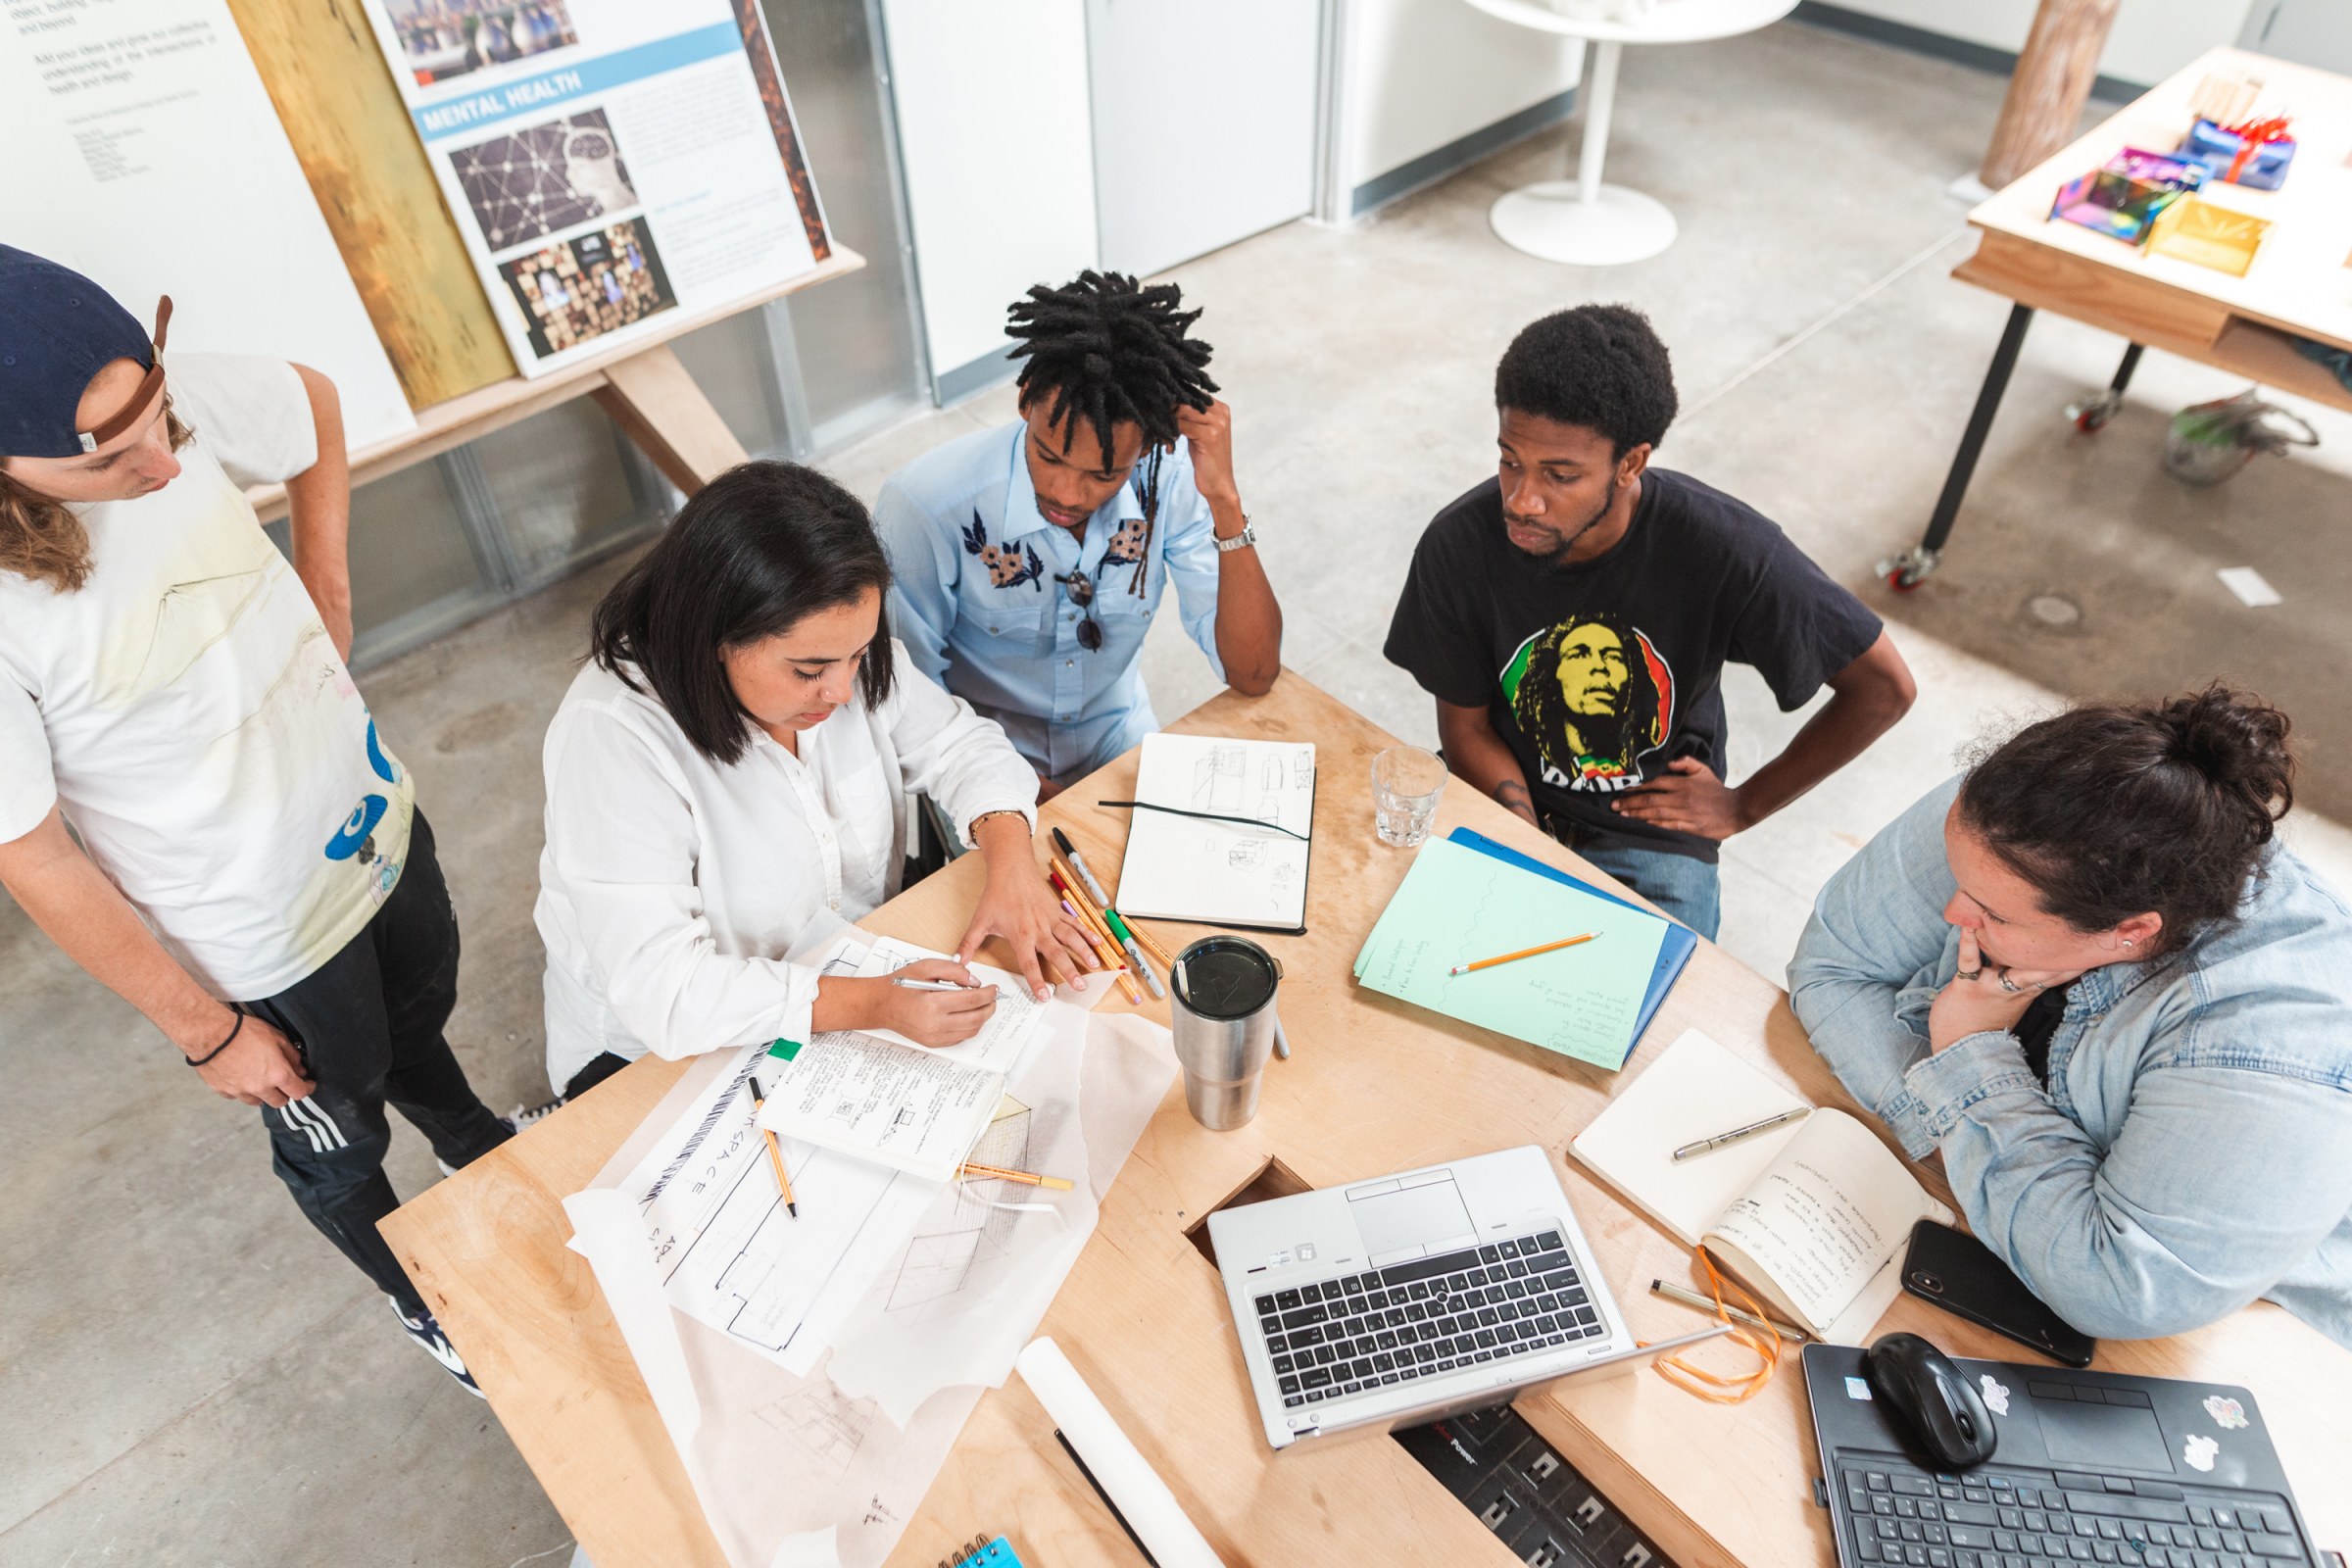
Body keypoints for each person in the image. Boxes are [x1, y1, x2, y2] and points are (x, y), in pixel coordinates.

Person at [0, 246, 509, 1391]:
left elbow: (310, 400)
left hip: (371, 819)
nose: (164, 464)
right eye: (109, 455)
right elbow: (32, 856)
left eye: (161, 418)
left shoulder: (141, 404)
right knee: (339, 1138)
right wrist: (208, 1032)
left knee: (418, 1019)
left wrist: (326, 591)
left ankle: (480, 1144)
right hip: (258, 936)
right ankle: (421, 1297)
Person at [1790, 688, 2352, 1347]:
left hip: (2262, 1336)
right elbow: (1835, 965)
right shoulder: (2025, 817)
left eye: (1993, 916)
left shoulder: (2272, 1037)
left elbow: (2113, 1286)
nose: (1951, 914)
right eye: (1956, 878)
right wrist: (1969, 1145)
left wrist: (1967, 1050)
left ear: (2131, 933)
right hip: (1991, 1245)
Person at [536, 461, 1103, 1101]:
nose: (840, 691)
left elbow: (960, 744)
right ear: (715, 635)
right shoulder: (611, 739)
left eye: (858, 656)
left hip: (854, 972)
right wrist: (872, 1006)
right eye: (809, 670)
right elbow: (665, 992)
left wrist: (1010, 861)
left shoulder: (837, 646)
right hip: (664, 1054)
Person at [1384, 304, 1915, 939]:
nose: (1522, 499)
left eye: (1561, 475)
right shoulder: (1461, 544)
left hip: (1652, 833)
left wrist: (1744, 804)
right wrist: (1532, 851)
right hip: (1502, 794)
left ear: (1631, 463)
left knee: (1645, 1026)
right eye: (1510, 460)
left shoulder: (1725, 549)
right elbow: (1465, 728)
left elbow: (1885, 688)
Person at [876, 270, 1283, 798]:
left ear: (1150, 446)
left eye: (1104, 475)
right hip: (985, 763)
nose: (1068, 494)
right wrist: (1024, 793)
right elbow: (907, 699)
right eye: (1048, 456)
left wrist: (1225, 503)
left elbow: (1253, 674)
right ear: (1025, 400)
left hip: (1118, 735)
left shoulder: (1173, 480)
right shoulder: (926, 505)